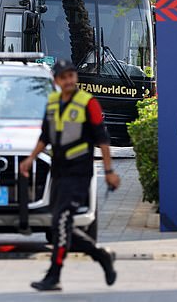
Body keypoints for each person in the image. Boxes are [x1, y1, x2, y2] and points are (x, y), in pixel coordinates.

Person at [20, 58, 121, 292]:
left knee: (61, 222)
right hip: (57, 173)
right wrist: (30, 159)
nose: (68, 81)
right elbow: (45, 137)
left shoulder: (88, 103)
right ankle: (102, 255)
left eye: (71, 76)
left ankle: (53, 275)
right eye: (63, 77)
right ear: (56, 80)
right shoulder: (52, 102)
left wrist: (109, 171)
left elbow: (103, 140)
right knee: (59, 226)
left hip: (79, 173)